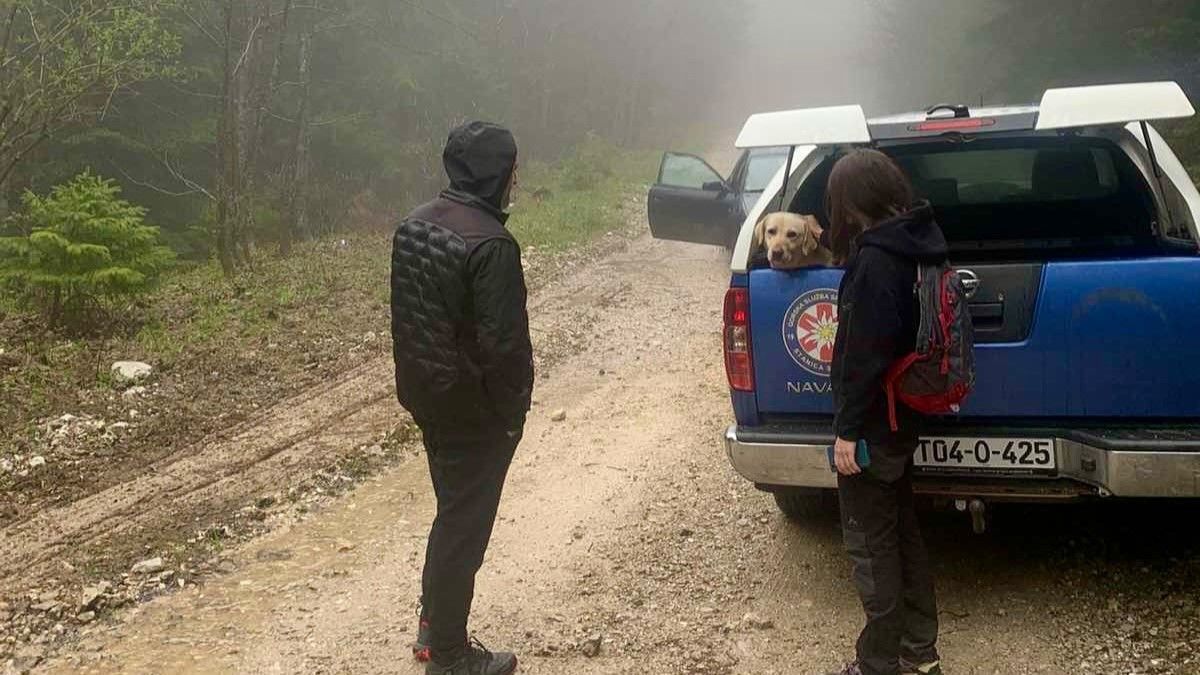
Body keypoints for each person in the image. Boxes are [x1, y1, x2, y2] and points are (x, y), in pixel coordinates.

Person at [391, 120, 533, 675]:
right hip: (474, 412)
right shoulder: (491, 244)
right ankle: (448, 655)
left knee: (451, 512)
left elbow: (409, 320)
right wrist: (512, 411)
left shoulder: (412, 224)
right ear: (498, 172)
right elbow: (506, 348)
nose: (517, 178)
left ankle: (435, 624)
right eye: (513, 168)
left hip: (428, 398)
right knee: (463, 525)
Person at [821, 150, 947, 675]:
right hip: (902, 418)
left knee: (872, 547)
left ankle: (877, 664)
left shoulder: (875, 260)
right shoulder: (920, 242)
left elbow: (861, 356)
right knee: (902, 535)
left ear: (853, 202)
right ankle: (920, 653)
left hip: (873, 425)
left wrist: (847, 432)